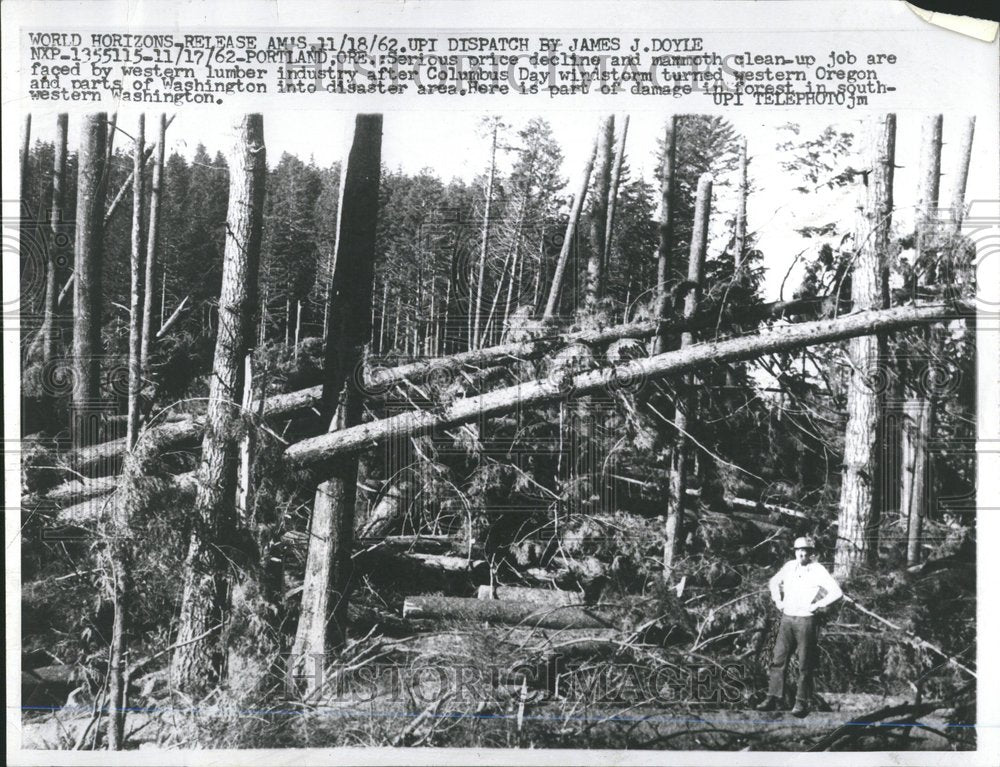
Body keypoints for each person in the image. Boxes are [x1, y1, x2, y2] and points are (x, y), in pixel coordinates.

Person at [756, 535, 843, 717]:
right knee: (778, 659)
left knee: (805, 663)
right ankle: (772, 697)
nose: (802, 554)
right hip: (787, 618)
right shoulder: (789, 567)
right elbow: (773, 582)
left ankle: (801, 702)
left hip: (806, 620)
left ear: (811, 553)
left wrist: (817, 605)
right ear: (795, 552)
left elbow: (836, 592)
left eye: (806, 551)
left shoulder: (817, 569)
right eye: (799, 550)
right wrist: (778, 601)